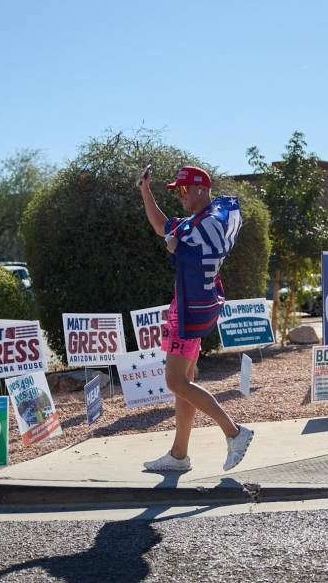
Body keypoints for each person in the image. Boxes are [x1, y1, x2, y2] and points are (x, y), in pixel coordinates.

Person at [137, 165, 253, 472]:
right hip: (194, 306)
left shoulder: (207, 225)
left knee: (175, 381)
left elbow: (184, 244)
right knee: (185, 383)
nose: (181, 196)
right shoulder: (203, 221)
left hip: (189, 312)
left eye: (184, 190)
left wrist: (177, 248)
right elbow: (164, 227)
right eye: (178, 190)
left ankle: (235, 433)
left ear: (201, 190)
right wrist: (145, 190)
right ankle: (178, 455)